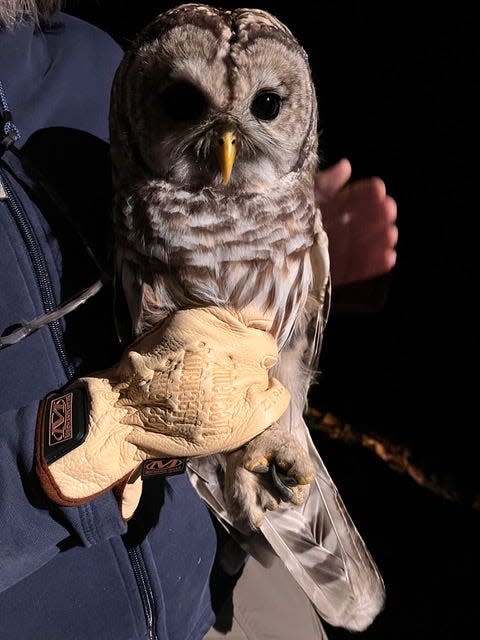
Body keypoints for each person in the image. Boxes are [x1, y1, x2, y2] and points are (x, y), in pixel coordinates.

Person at [0, 3, 397, 640]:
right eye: (186, 105)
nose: (230, 145)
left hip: (204, 565)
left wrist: (296, 277)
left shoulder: (83, 59)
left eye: (266, 106)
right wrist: (91, 435)